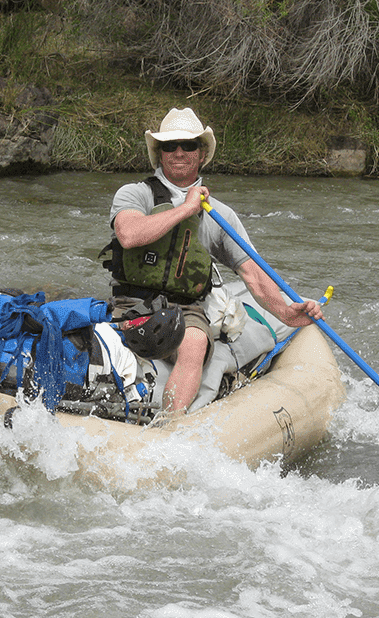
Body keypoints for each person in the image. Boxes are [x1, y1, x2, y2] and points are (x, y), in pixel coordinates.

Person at [105, 107, 323, 417]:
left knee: (194, 343)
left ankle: (169, 424)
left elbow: (253, 274)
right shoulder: (135, 194)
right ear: (160, 153)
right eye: (170, 146)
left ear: (202, 152)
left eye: (188, 145)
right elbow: (128, 234)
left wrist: (288, 313)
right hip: (134, 301)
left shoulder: (221, 215)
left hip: (186, 308)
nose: (179, 152)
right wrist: (187, 207)